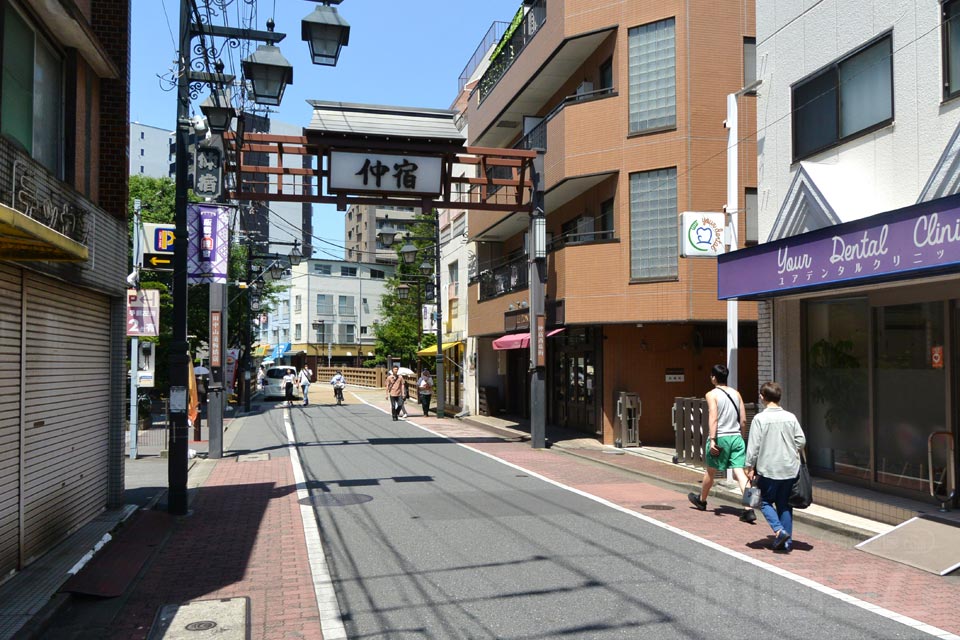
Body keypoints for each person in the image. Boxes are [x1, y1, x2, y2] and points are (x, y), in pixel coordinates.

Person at [688, 364, 756, 523]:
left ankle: (702, 501)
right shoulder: (736, 393)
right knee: (740, 473)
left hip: (720, 438)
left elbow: (713, 416)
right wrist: (741, 437)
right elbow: (744, 420)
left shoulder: (711, 394)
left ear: (713, 377)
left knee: (711, 471)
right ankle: (749, 509)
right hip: (736, 437)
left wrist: (712, 440)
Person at [745, 381, 807, 553]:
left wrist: (749, 466)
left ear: (762, 397)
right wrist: (789, 448)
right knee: (784, 504)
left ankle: (779, 532)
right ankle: (787, 543)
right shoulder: (790, 417)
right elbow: (801, 441)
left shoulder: (760, 419)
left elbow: (754, 446)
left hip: (769, 468)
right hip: (789, 468)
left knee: (763, 500)